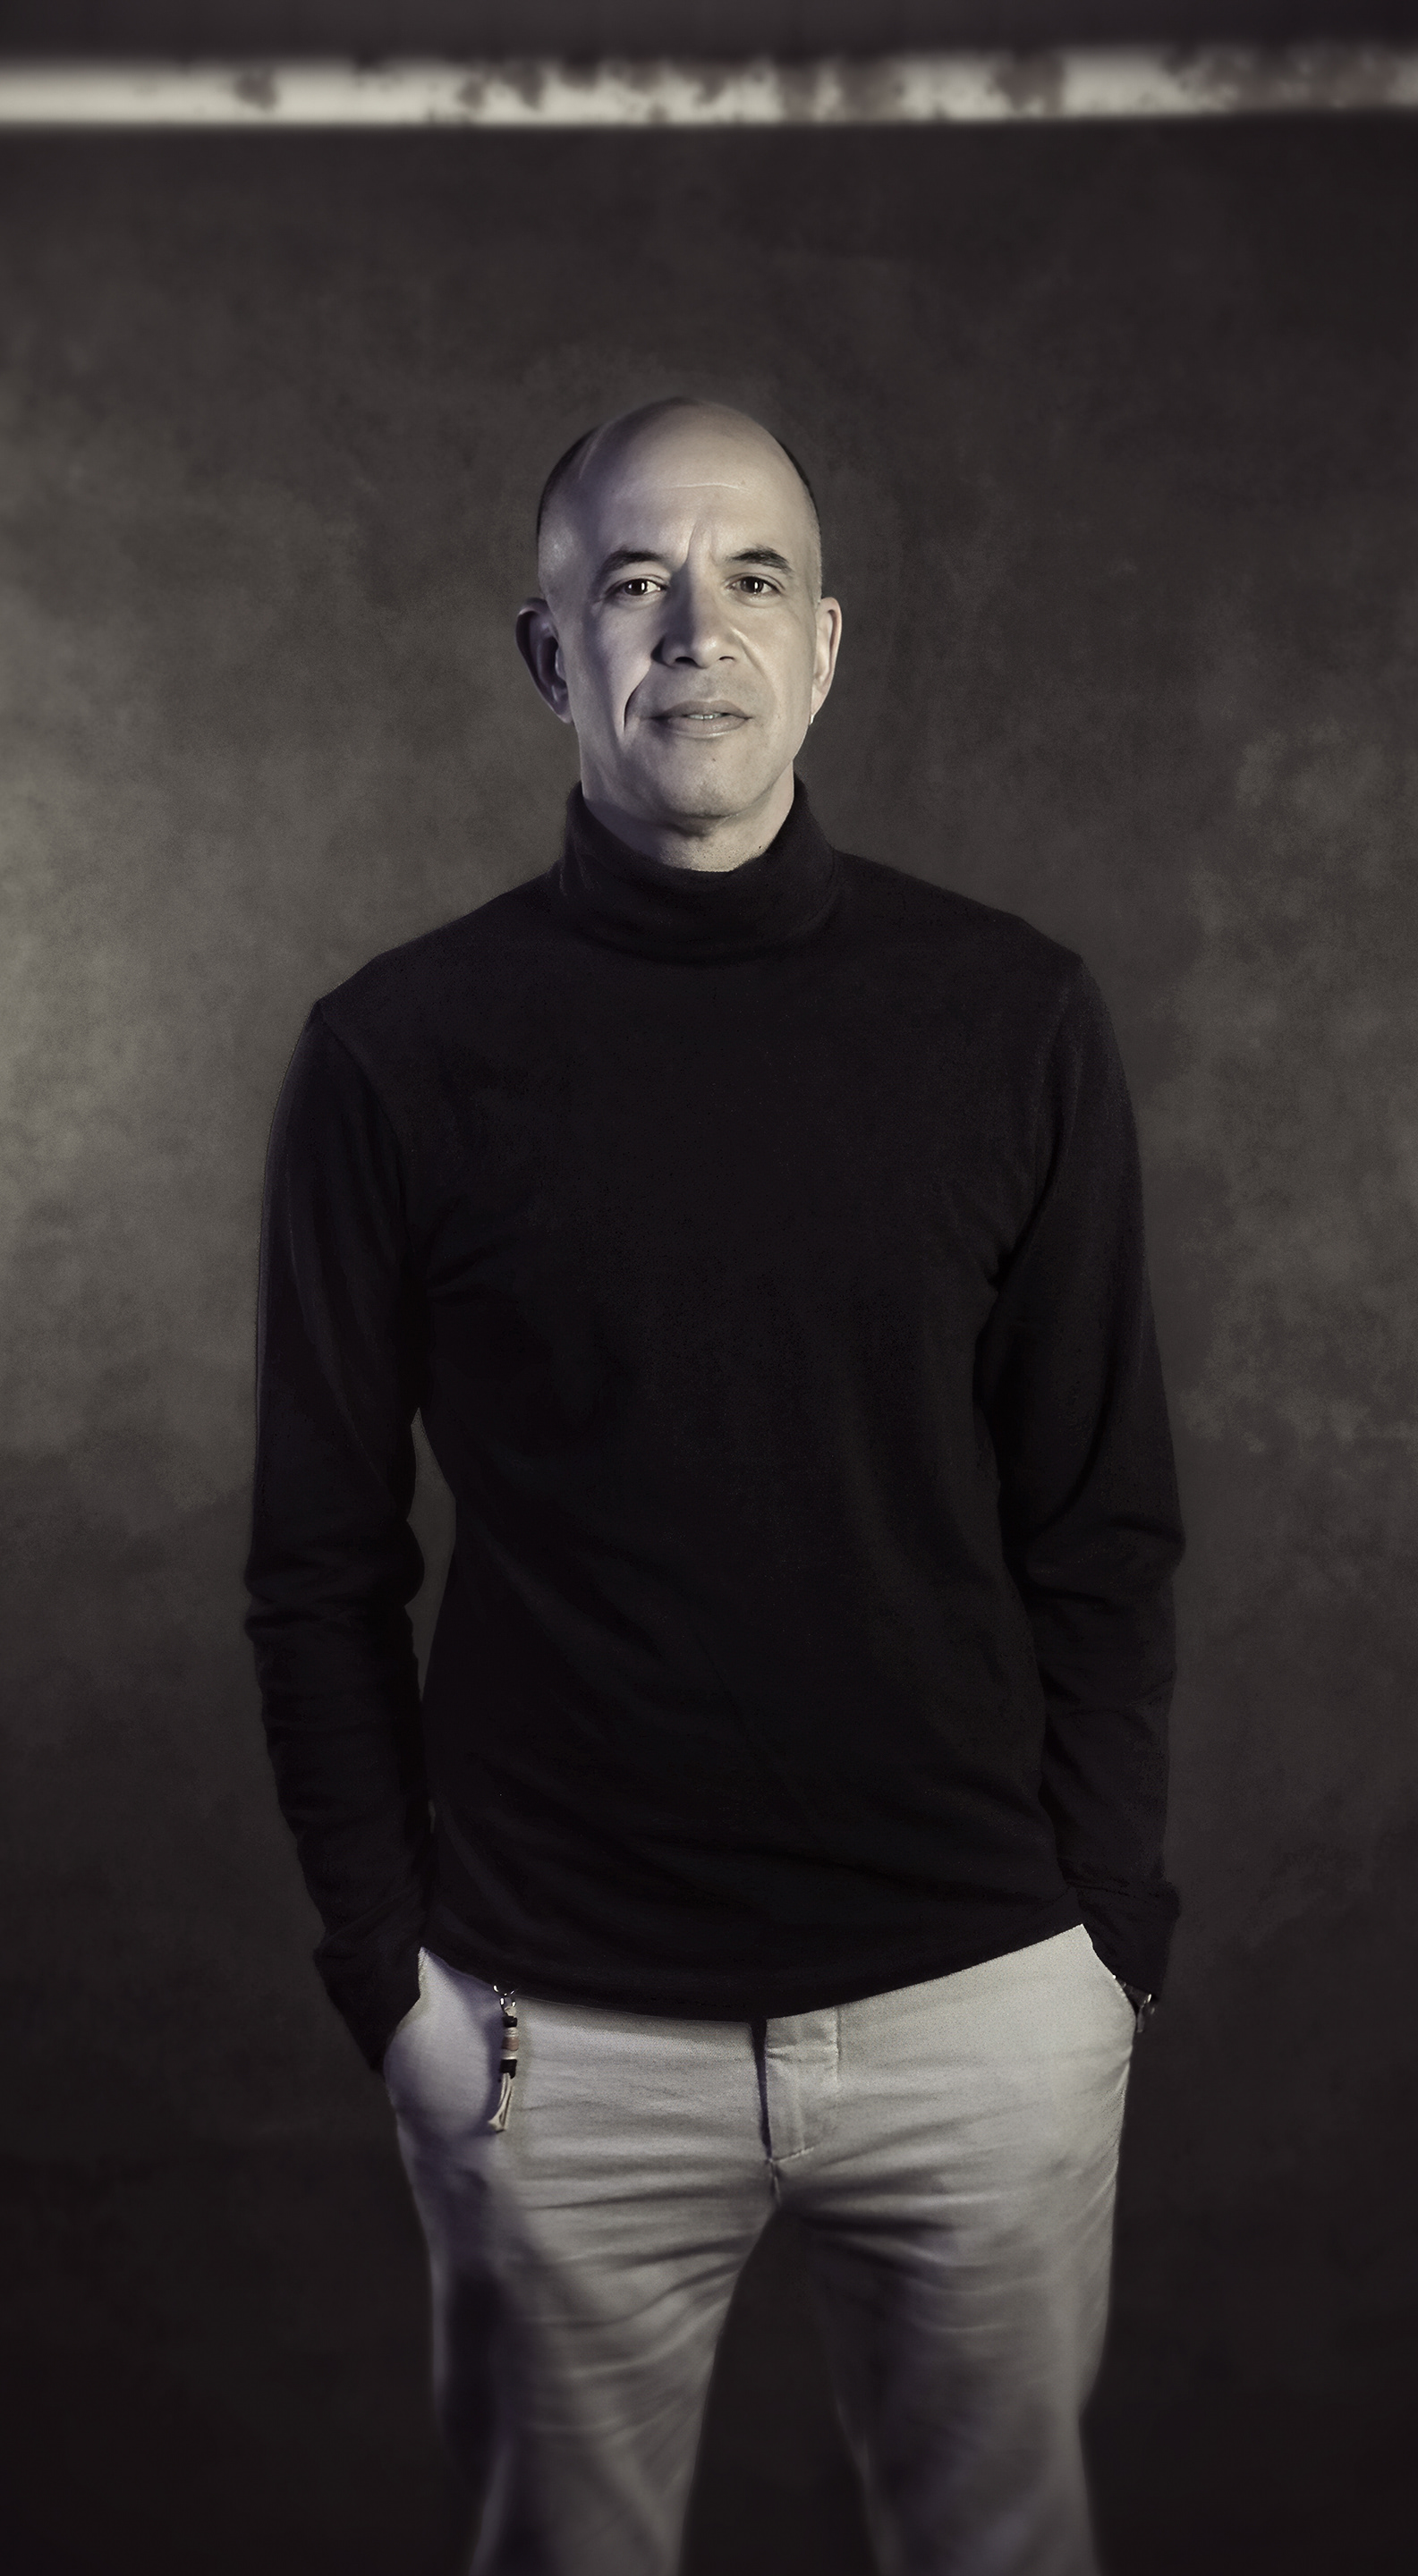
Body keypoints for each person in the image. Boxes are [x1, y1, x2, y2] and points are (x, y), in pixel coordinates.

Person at [245, 396, 1184, 2576]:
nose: (697, 628)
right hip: (552, 2042)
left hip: (983, 2011)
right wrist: (387, 1977)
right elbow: (316, 1567)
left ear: (825, 646)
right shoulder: (396, 1055)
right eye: (633, 584)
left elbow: (1103, 1524)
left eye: (754, 577)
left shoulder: (1012, 1018)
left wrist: (1103, 1944)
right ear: (547, 652)